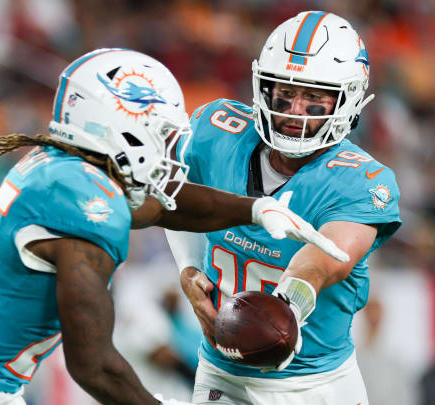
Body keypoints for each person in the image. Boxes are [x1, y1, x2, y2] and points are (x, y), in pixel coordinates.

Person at [0, 48, 348, 405]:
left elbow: (160, 206)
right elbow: (94, 367)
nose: (169, 148)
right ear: (120, 124)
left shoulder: (65, 166)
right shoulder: (84, 201)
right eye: (161, 132)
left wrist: (255, 209)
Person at [165, 11, 402, 405]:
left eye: (314, 96)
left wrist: (286, 309)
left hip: (315, 385)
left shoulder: (362, 178)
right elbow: (171, 198)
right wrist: (188, 268)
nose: (294, 110)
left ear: (348, 99)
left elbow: (326, 258)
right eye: (285, 92)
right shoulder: (215, 131)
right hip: (220, 372)